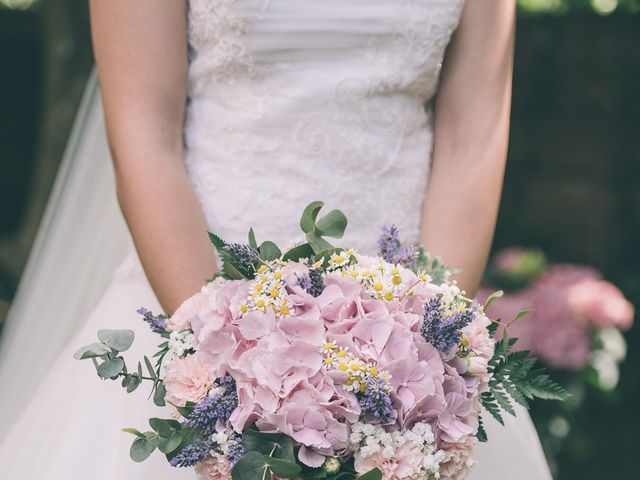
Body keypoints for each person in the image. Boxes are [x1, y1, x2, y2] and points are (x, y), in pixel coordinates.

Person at [0, 0, 552, 478]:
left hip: (407, 333)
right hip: (194, 296)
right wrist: (230, 367)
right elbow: (145, 138)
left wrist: (426, 355)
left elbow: (472, 141)